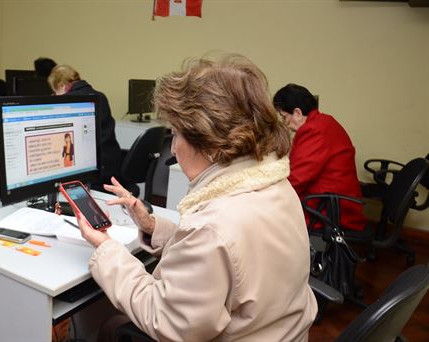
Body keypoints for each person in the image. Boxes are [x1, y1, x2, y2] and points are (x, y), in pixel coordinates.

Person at [75, 54, 317, 341]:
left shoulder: (213, 226)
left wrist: (107, 249)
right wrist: (153, 226)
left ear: (211, 143)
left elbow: (164, 318)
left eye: (176, 134)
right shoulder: (274, 184)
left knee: (110, 327)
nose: (174, 148)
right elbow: (227, 259)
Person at [273, 83, 366, 231]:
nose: (286, 124)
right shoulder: (324, 122)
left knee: (269, 215)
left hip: (329, 210)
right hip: (336, 203)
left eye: (284, 117)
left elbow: (297, 180)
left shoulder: (313, 130)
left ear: (297, 113)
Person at [48, 65, 122, 186]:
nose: (55, 95)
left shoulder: (67, 101)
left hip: (90, 173)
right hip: (111, 164)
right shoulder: (100, 96)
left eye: (55, 91)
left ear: (62, 85)